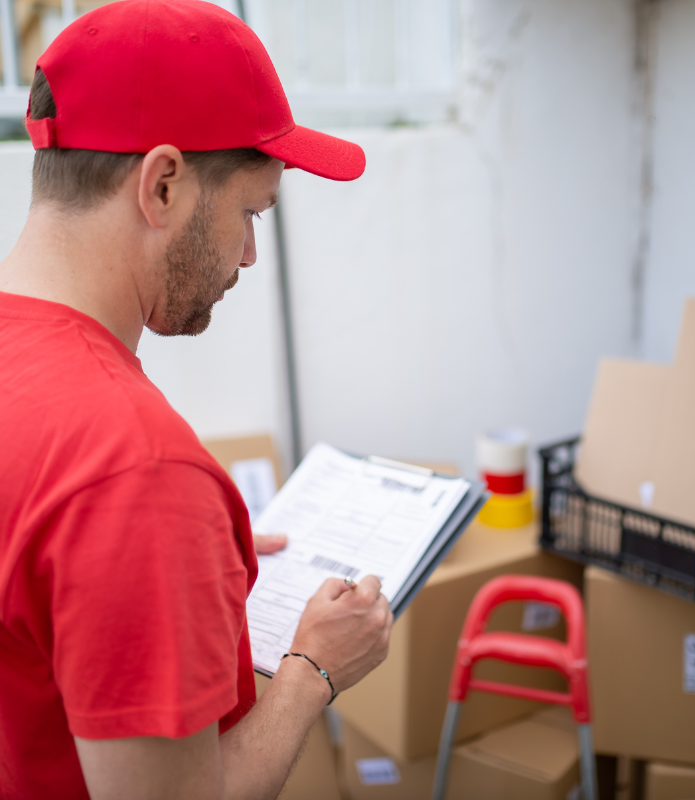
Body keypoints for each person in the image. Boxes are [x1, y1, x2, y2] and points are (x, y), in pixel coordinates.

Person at [0, 1, 392, 798]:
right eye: (250, 211)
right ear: (165, 184)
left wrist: (189, 567)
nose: (250, 255)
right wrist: (314, 669)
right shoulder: (134, 469)